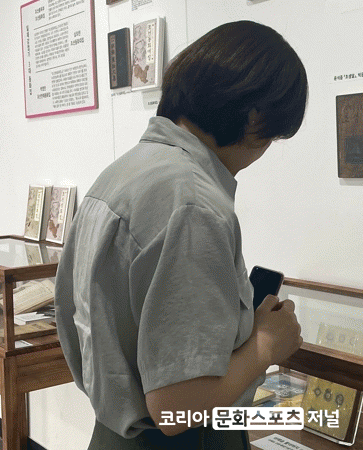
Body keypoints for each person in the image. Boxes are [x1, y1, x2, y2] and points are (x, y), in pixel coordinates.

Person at [54, 20, 308, 450]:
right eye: (273, 135)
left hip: (112, 435)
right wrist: (266, 345)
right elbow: (177, 408)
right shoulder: (193, 204)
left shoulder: (121, 173)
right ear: (255, 119)